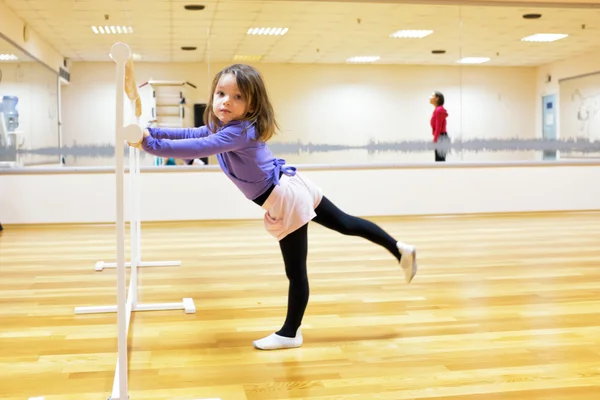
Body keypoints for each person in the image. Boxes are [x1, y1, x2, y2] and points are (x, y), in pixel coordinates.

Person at [128, 64, 418, 350]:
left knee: (296, 270)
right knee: (345, 222)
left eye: (238, 97)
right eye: (221, 93)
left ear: (253, 105)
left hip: (285, 198)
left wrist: (148, 145)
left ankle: (291, 333)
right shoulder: (223, 126)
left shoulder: (237, 132)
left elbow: (197, 148)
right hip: (293, 183)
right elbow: (192, 135)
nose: (226, 101)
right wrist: (150, 131)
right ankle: (399, 248)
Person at [430, 91, 449, 162]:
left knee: (440, 161)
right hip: (441, 137)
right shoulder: (438, 110)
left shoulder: (439, 110)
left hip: (441, 137)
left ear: (437, 98)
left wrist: (435, 140)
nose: (430, 98)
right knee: (439, 161)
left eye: (432, 96)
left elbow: (438, 127)